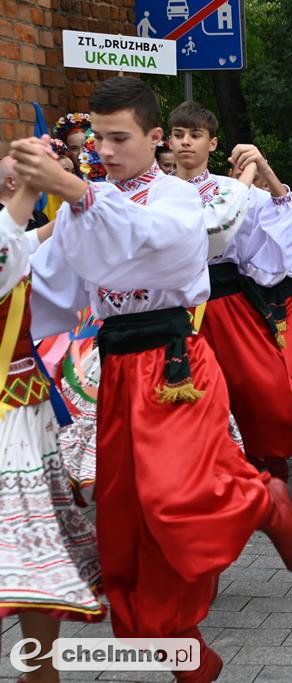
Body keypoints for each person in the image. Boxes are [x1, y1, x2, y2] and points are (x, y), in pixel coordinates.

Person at [17, 77, 292, 682]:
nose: (106, 149)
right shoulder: (83, 205)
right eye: (97, 138)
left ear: (155, 138)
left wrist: (79, 192)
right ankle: (184, 647)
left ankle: (261, 499)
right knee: (125, 525)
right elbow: (49, 289)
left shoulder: (175, 197)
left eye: (119, 137)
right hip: (118, 368)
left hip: (176, 361)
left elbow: (170, 245)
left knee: (172, 498)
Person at [167, 101, 292, 486]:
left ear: (212, 144)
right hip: (175, 305)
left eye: (195, 135)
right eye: (178, 135)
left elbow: (283, 213)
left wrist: (263, 169)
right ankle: (253, 467)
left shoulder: (230, 188)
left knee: (265, 385)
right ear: (166, 139)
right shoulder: (159, 190)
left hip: (227, 302)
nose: (185, 143)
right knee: (201, 395)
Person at [0, 175, 104, 683]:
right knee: (25, 541)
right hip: (15, 409)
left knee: (27, 541)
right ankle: (40, 671)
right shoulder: (8, 236)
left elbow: (20, 245)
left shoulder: (13, 237)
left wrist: (61, 198)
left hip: (18, 410)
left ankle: (41, 671)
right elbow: (10, 247)